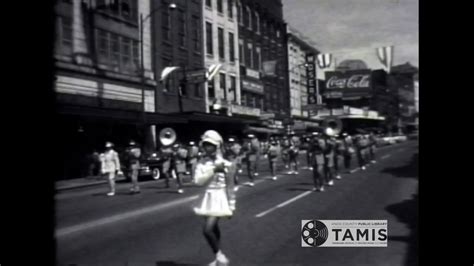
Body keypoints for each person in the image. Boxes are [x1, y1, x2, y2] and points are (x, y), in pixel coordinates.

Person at [192, 130, 235, 266]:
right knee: (214, 228)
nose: (207, 147)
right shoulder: (201, 163)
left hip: (220, 198)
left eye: (210, 144)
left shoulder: (227, 164)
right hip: (206, 198)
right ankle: (218, 258)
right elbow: (198, 182)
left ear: (217, 146)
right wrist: (213, 170)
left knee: (207, 229)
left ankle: (219, 255)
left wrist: (232, 205)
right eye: (205, 144)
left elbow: (230, 186)